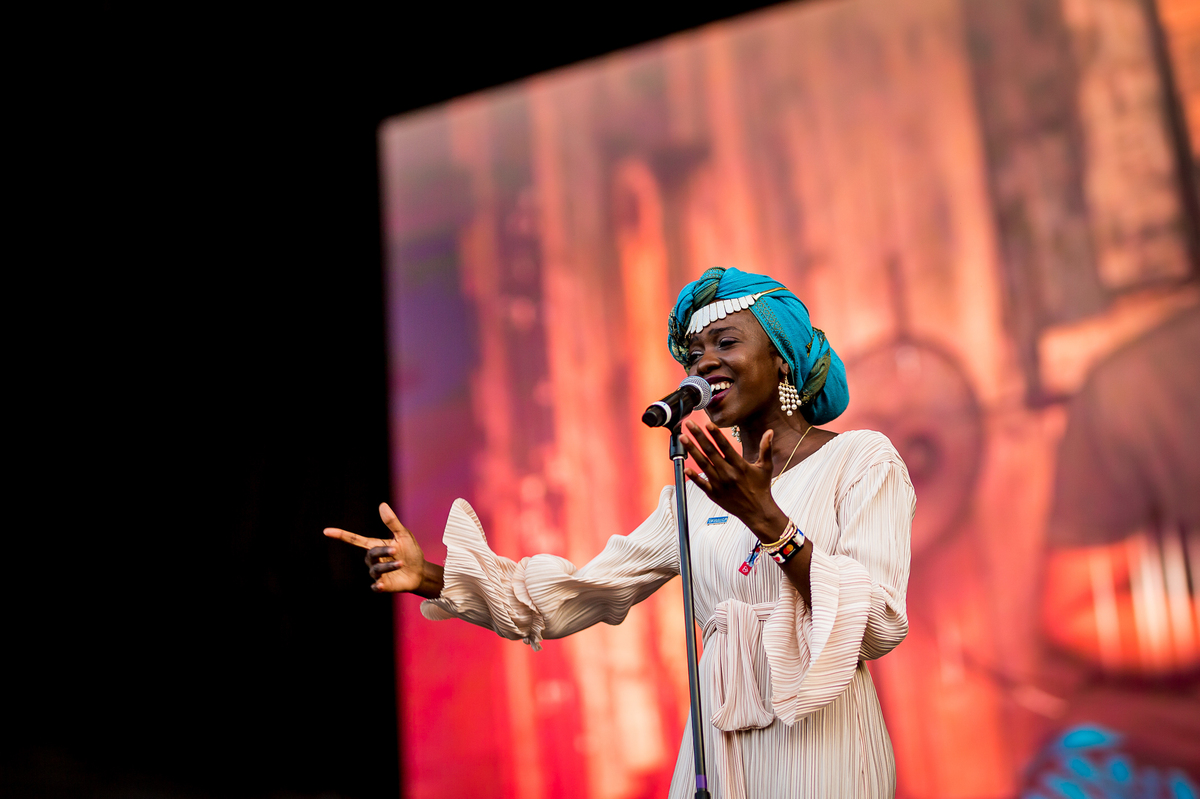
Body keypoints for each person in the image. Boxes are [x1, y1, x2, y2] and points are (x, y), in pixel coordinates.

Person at [326, 267, 915, 799]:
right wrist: (430, 576)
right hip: (722, 758)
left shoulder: (863, 461)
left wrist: (770, 524)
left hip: (824, 750)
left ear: (782, 355)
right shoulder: (694, 494)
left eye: (725, 342)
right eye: (692, 355)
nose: (702, 363)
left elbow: (878, 624)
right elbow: (582, 592)